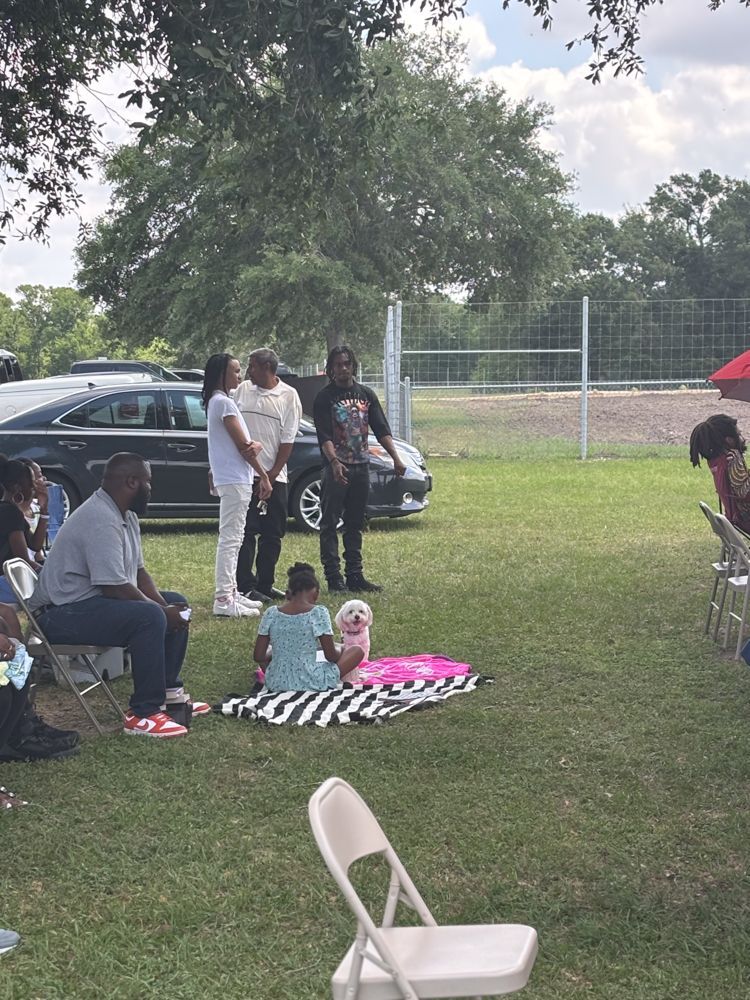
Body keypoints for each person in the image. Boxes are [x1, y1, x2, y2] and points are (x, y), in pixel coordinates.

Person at [29, 453, 208, 739]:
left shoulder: (125, 514)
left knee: (175, 601)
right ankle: (144, 714)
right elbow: (114, 587)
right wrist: (161, 613)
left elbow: (138, 574)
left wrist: (168, 608)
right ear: (132, 482)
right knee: (149, 616)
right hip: (58, 614)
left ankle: (169, 693)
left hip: (86, 603)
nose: (151, 489)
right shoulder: (100, 517)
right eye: (148, 483)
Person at [312, 345, 406, 593]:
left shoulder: (366, 394)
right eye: (338, 365)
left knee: (355, 522)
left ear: (353, 366)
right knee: (330, 523)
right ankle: (334, 579)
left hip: (361, 466)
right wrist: (334, 463)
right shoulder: (325, 397)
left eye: (347, 364)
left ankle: (355, 575)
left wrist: (396, 458)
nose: (343, 369)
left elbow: (381, 429)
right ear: (331, 369)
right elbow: (324, 436)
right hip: (335, 468)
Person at [203, 353, 272, 619]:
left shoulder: (218, 402)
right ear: (222, 373)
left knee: (235, 536)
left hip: (232, 477)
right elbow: (245, 447)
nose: (239, 375)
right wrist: (263, 474)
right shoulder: (223, 404)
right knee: (231, 539)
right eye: (235, 370)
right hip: (235, 479)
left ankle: (231, 593)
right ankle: (223, 598)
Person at [234, 348, 302, 603]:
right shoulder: (242, 391)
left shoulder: (288, 396)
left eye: (252, 366)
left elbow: (288, 440)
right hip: (245, 475)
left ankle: (265, 582)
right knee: (247, 531)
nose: (248, 371)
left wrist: (270, 476)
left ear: (266, 368)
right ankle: (244, 584)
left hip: (275, 476)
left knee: (272, 533)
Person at [253, 562, 363, 691]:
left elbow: (259, 656)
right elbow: (331, 656)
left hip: (276, 682)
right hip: (312, 681)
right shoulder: (318, 612)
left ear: (288, 593)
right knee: (357, 650)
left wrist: (276, 651)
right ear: (316, 593)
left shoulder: (271, 613)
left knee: (270, 649)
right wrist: (342, 648)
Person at [690, 414, 750, 532]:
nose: (743, 438)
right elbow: (745, 494)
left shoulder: (717, 461)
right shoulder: (732, 457)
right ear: (729, 440)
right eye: (739, 434)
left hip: (737, 519)